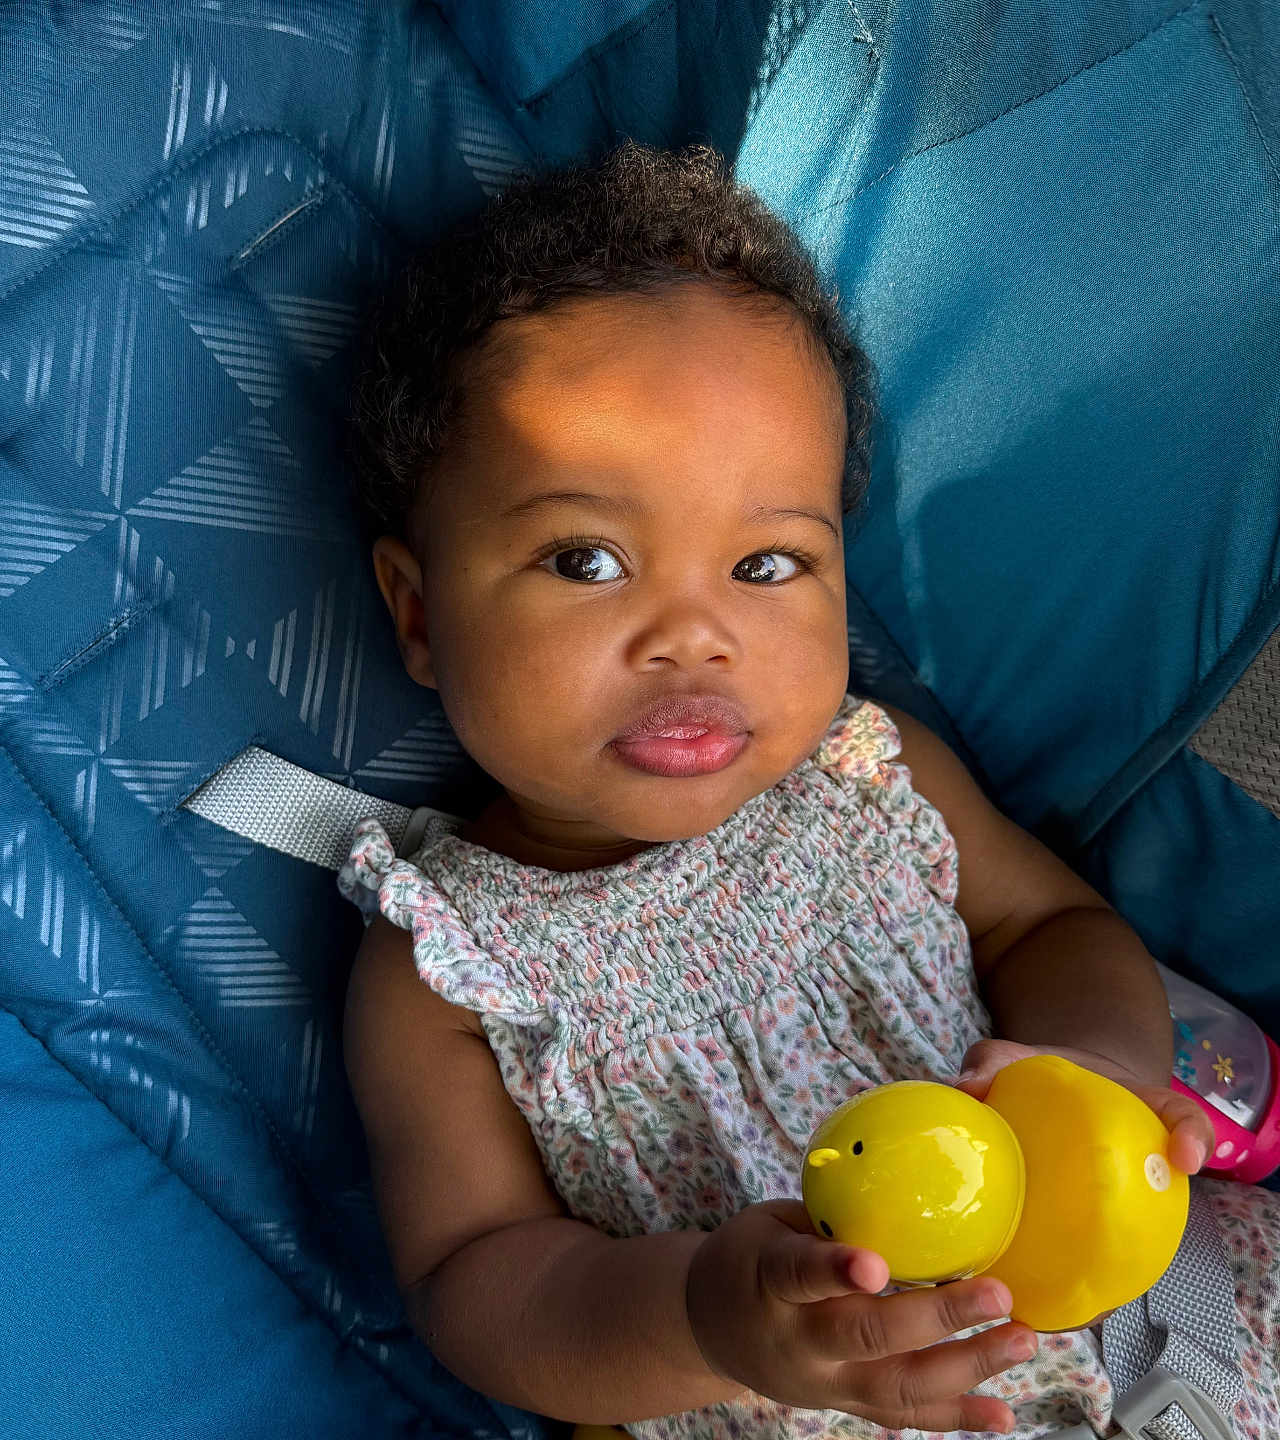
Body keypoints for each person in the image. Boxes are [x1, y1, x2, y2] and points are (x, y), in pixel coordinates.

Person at [336, 141, 1279, 1439]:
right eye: (587, 559)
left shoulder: (873, 777)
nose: (694, 636)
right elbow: (476, 1278)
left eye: (768, 566)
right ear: (419, 613)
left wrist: (1092, 1069)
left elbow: (1052, 927)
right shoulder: (448, 967)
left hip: (1175, 1327)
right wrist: (700, 1318)